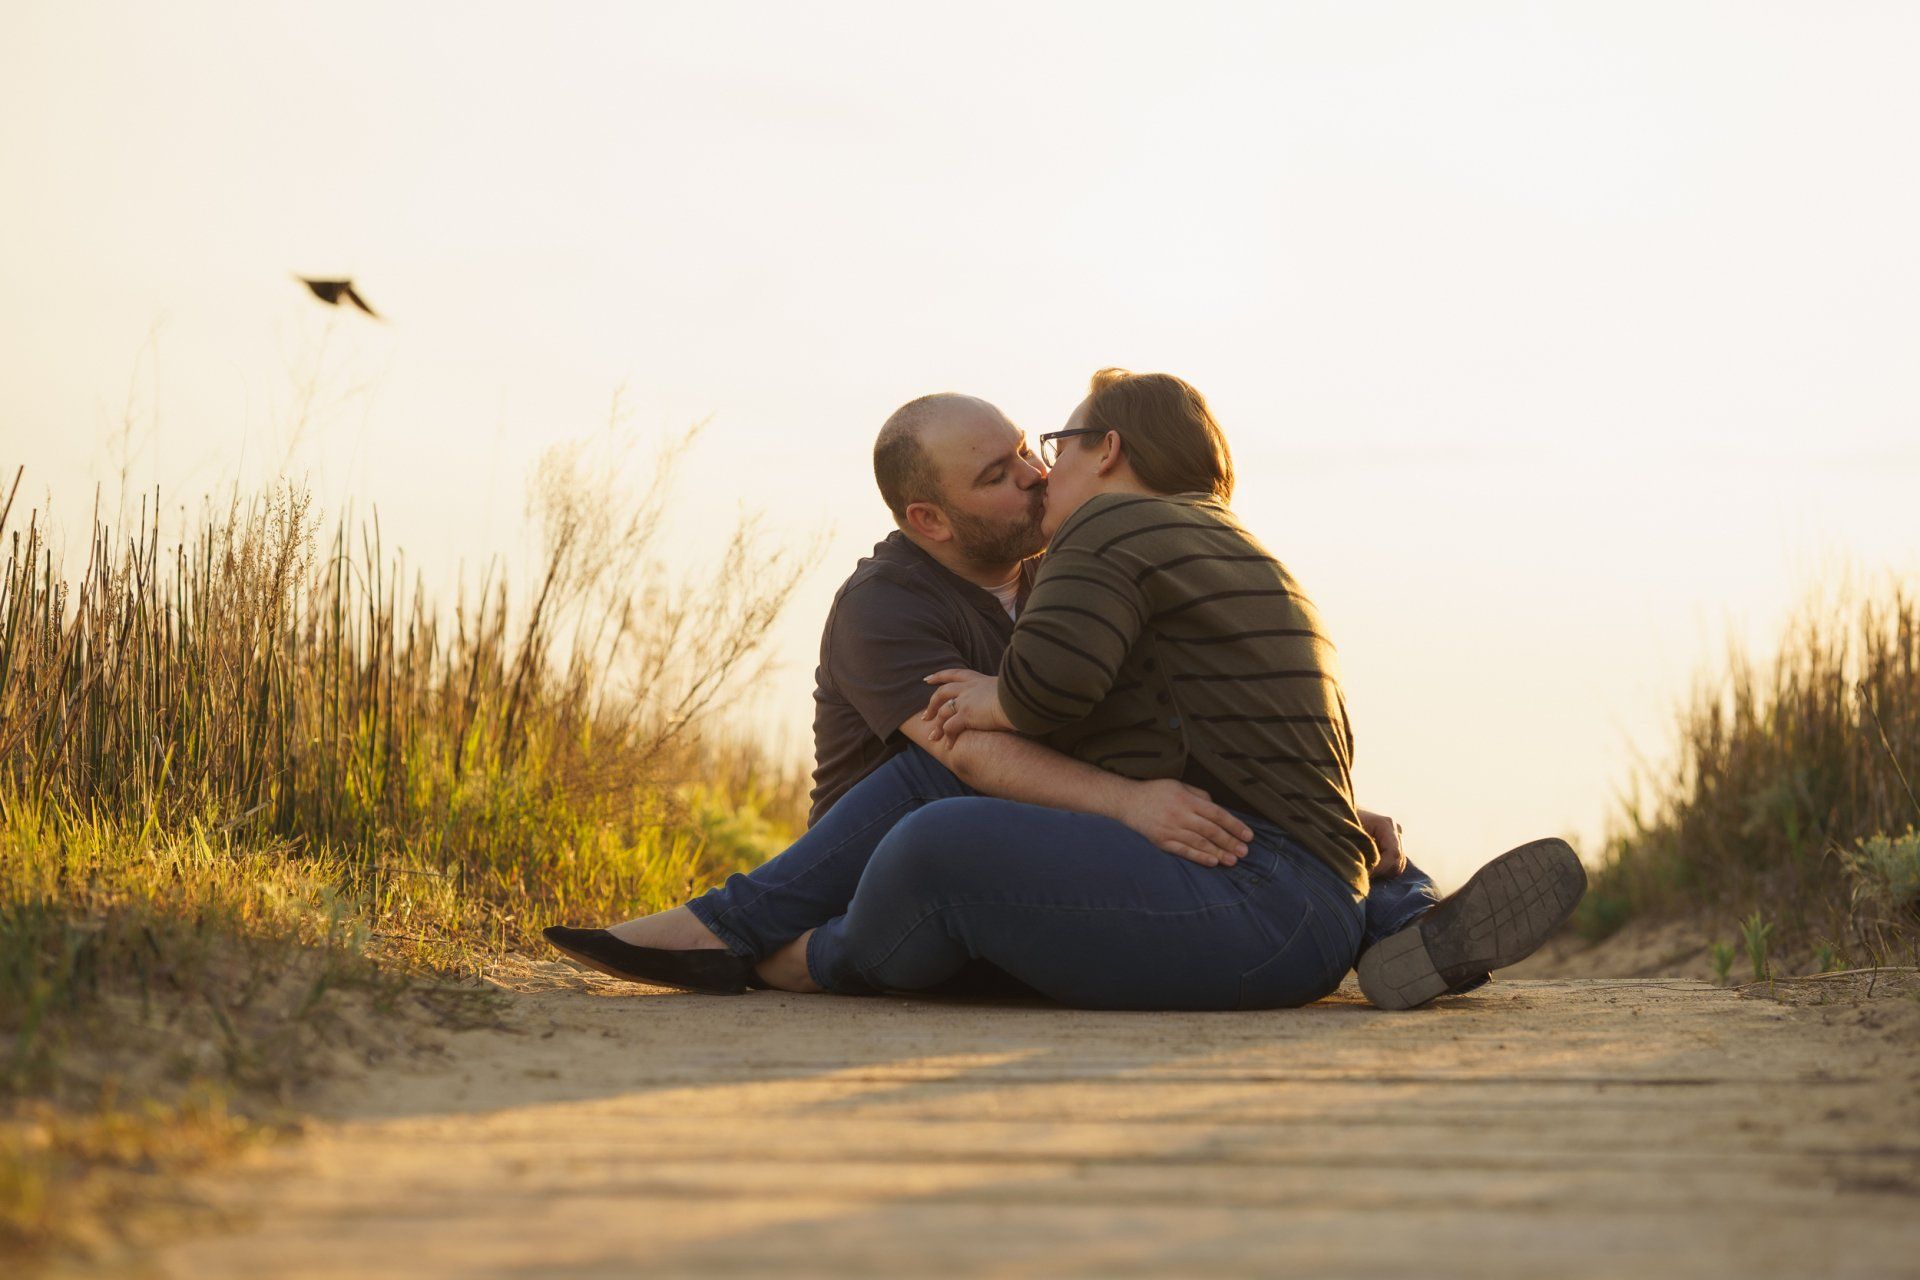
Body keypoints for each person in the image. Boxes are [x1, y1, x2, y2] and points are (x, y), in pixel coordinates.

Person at [545, 371, 1584, 1009]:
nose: (1037, 478)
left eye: (1035, 456)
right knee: (931, 796)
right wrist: (1130, 797)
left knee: (1344, 834)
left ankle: (1403, 915)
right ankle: (753, 935)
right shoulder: (885, 606)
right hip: (897, 883)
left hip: (1076, 855)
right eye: (1000, 473)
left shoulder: (1070, 570)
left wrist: (1303, 802)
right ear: (931, 520)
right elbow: (978, 752)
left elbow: (1155, 730)